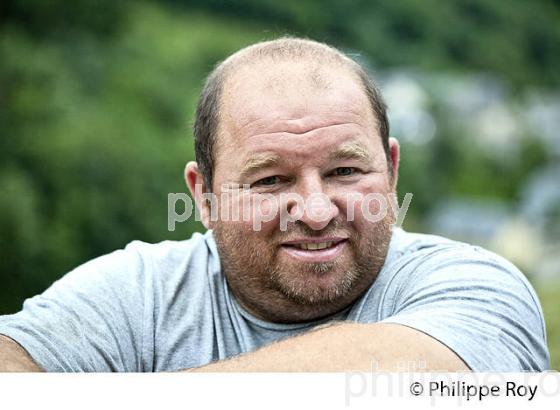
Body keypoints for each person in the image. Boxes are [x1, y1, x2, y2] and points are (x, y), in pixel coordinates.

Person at [0, 37, 549, 372]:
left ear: (392, 171)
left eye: (345, 171)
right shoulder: (136, 296)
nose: (314, 210)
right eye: (269, 181)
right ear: (204, 196)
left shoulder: (477, 286)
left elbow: (425, 380)